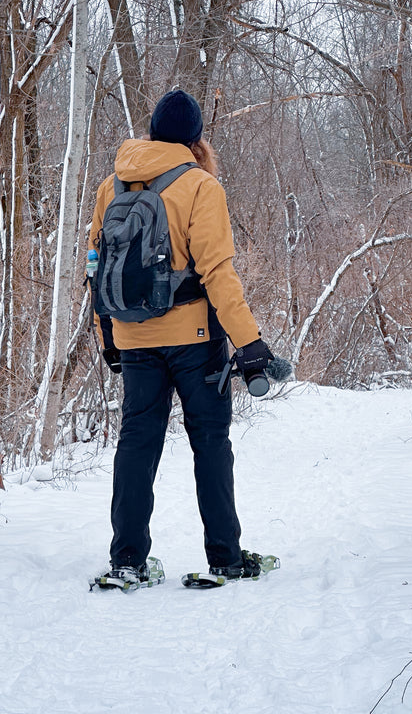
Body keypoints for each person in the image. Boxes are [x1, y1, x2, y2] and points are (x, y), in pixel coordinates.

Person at [88, 89, 274, 585]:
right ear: (196, 140)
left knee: (136, 444)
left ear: (150, 131)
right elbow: (217, 273)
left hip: (133, 337)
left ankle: (126, 561)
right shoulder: (199, 185)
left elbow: (96, 267)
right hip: (194, 338)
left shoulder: (113, 184)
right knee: (210, 442)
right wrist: (250, 344)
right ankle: (225, 558)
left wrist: (109, 336)